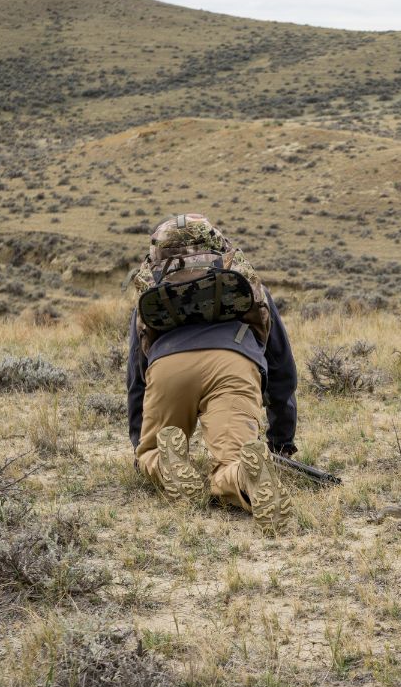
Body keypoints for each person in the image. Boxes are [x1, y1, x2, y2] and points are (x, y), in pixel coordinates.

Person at [126, 214, 298, 534]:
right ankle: (243, 477)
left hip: (167, 369)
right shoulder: (245, 280)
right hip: (234, 364)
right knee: (232, 461)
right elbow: (281, 368)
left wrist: (141, 445)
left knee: (152, 452)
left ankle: (164, 465)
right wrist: (281, 441)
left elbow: (137, 378)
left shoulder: (152, 290)